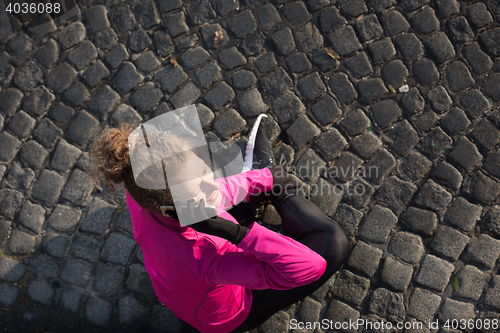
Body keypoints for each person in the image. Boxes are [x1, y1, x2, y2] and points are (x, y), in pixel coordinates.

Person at [90, 120, 350, 333]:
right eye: (198, 190)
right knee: (334, 242)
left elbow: (201, 187)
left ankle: (256, 183)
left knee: (202, 164)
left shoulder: (142, 192)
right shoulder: (206, 252)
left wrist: (261, 179)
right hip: (232, 314)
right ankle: (264, 199)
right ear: (168, 206)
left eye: (205, 174)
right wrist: (237, 233)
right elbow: (309, 268)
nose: (212, 185)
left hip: (185, 282)